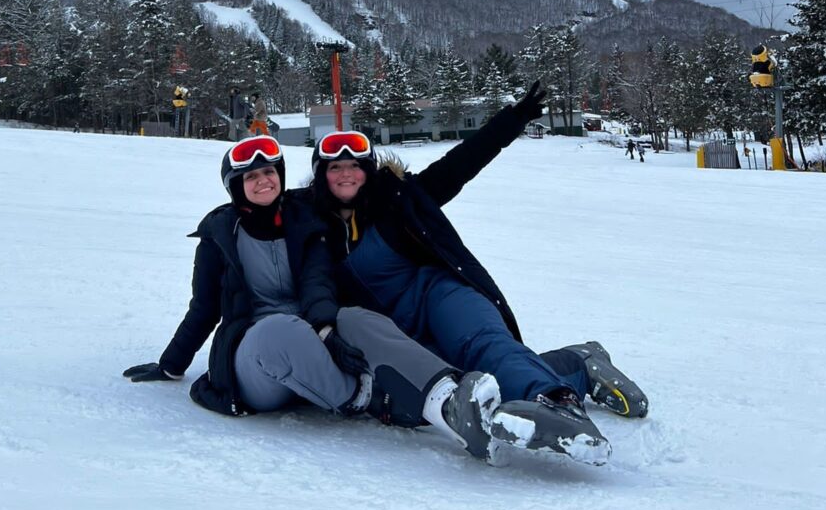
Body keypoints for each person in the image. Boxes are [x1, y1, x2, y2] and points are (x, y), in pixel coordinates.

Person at [122, 136, 531, 467]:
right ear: (235, 187)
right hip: (257, 360)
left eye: (269, 172)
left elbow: (318, 283)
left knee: (354, 317)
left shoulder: (305, 223)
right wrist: (171, 364)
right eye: (251, 177)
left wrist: (326, 327)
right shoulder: (220, 236)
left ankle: (452, 400)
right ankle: (368, 396)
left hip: (312, 347)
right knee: (278, 329)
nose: (263, 181)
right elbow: (204, 309)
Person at [296, 86, 649, 466]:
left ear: (367, 171)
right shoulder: (311, 225)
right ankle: (579, 365)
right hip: (399, 330)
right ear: (322, 175)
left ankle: (557, 404)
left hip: (440, 294)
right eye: (335, 167)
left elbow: (462, 162)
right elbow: (300, 267)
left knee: (483, 343)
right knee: (463, 382)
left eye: (354, 166)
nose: (345, 174)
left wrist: (511, 120)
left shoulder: (400, 199)